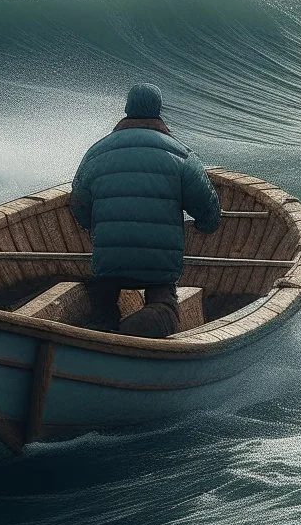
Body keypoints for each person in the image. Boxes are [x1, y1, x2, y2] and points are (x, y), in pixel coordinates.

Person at [70, 83, 221, 337]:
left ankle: (103, 328)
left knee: (103, 298)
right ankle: (129, 333)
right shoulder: (181, 156)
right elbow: (209, 213)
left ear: (127, 109)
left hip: (109, 261)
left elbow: (78, 206)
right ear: (159, 111)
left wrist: (93, 227)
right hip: (158, 266)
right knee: (166, 309)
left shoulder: (95, 153)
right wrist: (203, 225)